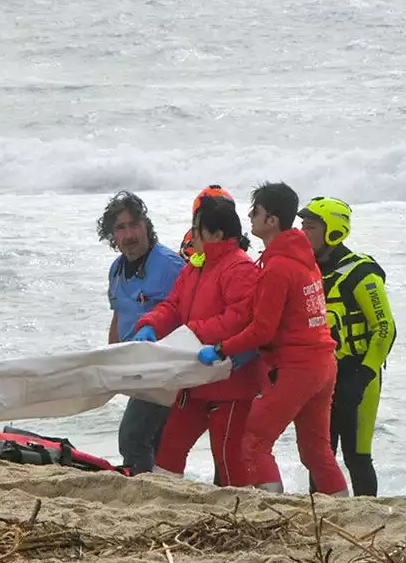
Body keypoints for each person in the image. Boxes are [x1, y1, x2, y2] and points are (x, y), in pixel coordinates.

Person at [196, 182, 349, 496]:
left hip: (295, 368)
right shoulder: (303, 259)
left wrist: (222, 348)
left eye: (256, 211)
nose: (250, 217)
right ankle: (344, 512)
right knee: (315, 451)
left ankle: (272, 510)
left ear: (272, 221)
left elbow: (262, 330)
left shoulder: (277, 267)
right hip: (323, 365)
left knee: (254, 442)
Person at [131, 196, 264, 486]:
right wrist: (151, 324)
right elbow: (173, 305)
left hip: (229, 380)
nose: (192, 234)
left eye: (197, 228)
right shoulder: (196, 266)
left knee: (228, 455)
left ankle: (238, 511)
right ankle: (165, 498)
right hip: (194, 379)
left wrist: (193, 332)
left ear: (216, 234)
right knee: (171, 448)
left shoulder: (240, 268)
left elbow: (239, 318)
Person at [298, 197, 396, 497]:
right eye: (302, 226)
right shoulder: (307, 270)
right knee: (318, 457)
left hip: (359, 377)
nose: (303, 233)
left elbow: (386, 329)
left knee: (357, 458)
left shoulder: (361, 273)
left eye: (310, 227)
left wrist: (362, 376)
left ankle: (369, 516)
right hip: (322, 378)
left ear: (334, 232)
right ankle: (321, 515)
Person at [97, 191, 185, 475]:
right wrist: (111, 359)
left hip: (165, 368)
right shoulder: (117, 269)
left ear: (146, 226)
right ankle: (155, 486)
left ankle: (141, 488)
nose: (129, 234)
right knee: (153, 440)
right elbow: (119, 314)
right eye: (120, 228)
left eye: (134, 224)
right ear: (112, 235)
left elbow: (190, 313)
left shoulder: (170, 265)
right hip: (135, 367)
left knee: (132, 437)